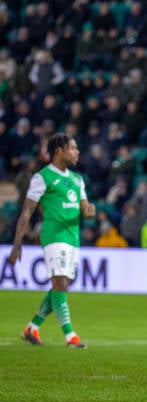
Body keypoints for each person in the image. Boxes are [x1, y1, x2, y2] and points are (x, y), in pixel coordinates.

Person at [8, 133, 96, 348]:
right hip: (53, 235)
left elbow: (84, 207)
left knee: (62, 285)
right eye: (73, 148)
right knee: (61, 283)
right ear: (59, 151)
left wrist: (89, 211)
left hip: (72, 236)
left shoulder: (77, 179)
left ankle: (32, 327)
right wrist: (17, 245)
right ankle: (70, 336)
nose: (77, 152)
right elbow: (27, 212)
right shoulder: (43, 177)